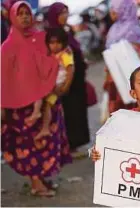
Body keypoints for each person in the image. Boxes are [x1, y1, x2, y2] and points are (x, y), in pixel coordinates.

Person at [1, 1, 72, 197]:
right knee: (28, 146)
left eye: (27, 13)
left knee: (47, 141)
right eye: (20, 13)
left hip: (45, 100)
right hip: (21, 106)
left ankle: (41, 179)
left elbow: (54, 60)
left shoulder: (40, 39)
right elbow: (5, 79)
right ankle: (35, 183)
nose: (24, 17)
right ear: (12, 17)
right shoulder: (7, 47)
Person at [47, 3, 91, 153]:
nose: (65, 15)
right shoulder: (53, 35)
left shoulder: (67, 31)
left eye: (66, 12)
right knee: (68, 113)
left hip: (77, 81)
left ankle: (76, 144)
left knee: (77, 111)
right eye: (61, 13)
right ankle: (69, 145)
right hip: (66, 82)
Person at [103, 0, 140, 119]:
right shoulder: (114, 28)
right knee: (116, 108)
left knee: (131, 107)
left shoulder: (133, 30)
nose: (112, 12)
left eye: (115, 9)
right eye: (112, 9)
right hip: (114, 76)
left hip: (129, 77)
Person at [31, 28, 75, 140]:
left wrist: (66, 86)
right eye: (52, 43)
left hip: (57, 83)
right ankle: (45, 127)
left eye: (58, 42)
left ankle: (37, 114)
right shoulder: (52, 55)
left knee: (41, 96)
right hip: (53, 83)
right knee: (47, 105)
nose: (55, 45)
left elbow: (70, 70)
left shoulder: (65, 54)